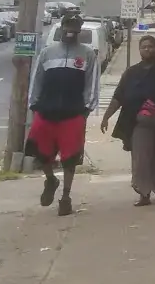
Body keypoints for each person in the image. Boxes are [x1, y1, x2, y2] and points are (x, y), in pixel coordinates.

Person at [24, 14, 100, 216]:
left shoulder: (87, 54)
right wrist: (34, 105)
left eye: (75, 28)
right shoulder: (47, 53)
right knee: (40, 152)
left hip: (73, 113)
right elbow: (37, 80)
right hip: (45, 110)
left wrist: (86, 110)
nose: (71, 31)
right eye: (68, 26)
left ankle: (66, 196)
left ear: (79, 29)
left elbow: (92, 83)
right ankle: (51, 179)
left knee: (70, 158)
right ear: (62, 27)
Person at [101, 36, 155, 206]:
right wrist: (106, 117)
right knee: (141, 157)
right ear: (139, 50)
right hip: (139, 122)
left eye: (151, 46)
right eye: (143, 47)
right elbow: (118, 97)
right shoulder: (131, 73)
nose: (147, 50)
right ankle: (144, 192)